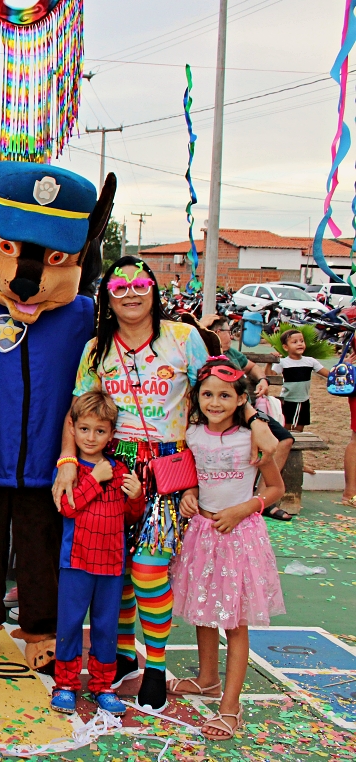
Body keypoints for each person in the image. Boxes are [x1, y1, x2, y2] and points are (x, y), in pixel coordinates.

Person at [56, 257, 217, 712]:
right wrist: (70, 460)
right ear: (107, 295)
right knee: (117, 570)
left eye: (140, 283)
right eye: (119, 286)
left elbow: (213, 403)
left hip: (167, 468)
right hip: (112, 468)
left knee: (147, 571)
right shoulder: (96, 349)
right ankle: (122, 655)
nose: (130, 292)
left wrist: (203, 476)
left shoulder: (183, 339)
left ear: (154, 289)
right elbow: (76, 413)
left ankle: (157, 666)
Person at [170, 358, 286, 741]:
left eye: (225, 395)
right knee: (203, 610)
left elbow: (275, 490)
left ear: (240, 400)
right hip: (202, 531)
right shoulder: (193, 434)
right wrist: (189, 494)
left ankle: (230, 706)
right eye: (207, 394)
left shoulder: (252, 436)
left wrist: (242, 508)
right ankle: (207, 679)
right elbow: (193, 475)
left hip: (238, 535)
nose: (215, 402)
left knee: (234, 621)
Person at [50, 390, 143, 716]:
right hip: (76, 563)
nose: (91, 437)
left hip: (111, 566)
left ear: (111, 434)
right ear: (72, 429)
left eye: (100, 431)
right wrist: (95, 479)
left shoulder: (119, 471)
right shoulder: (68, 470)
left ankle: (104, 686)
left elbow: (129, 517)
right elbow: (66, 507)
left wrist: (136, 498)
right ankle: (65, 684)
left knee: (106, 628)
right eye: (85, 429)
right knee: (70, 625)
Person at [207, 315, 295, 521]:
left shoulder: (232, 353)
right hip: (226, 413)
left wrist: (262, 379)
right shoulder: (208, 354)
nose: (231, 334)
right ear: (217, 333)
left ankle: (262, 499)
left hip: (248, 408)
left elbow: (252, 367)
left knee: (285, 439)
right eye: (228, 330)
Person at [271, 328, 329, 431]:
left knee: (299, 429)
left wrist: (343, 365)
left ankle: (295, 446)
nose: (299, 344)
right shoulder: (283, 362)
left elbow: (328, 374)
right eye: (295, 342)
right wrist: (270, 362)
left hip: (303, 400)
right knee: (285, 427)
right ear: (285, 347)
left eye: (302, 341)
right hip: (287, 400)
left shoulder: (310, 361)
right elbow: (270, 375)